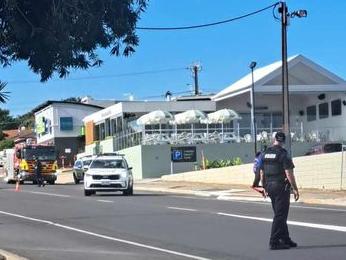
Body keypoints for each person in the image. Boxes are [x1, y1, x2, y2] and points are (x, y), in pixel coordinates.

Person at [260, 131, 299, 250]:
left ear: (274, 140)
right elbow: (289, 173)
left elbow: (261, 172)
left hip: (269, 187)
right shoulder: (283, 154)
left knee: (279, 214)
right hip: (281, 187)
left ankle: (285, 238)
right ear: (283, 141)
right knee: (280, 215)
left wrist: (264, 187)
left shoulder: (265, 153)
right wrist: (295, 188)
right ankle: (274, 241)